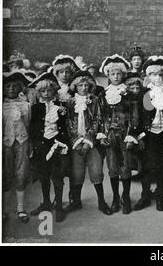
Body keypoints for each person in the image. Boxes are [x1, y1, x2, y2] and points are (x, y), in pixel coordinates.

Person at [64, 70, 112, 216]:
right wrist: (77, 141)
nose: (84, 88)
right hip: (76, 143)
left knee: (96, 171)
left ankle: (102, 202)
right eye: (80, 85)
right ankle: (76, 201)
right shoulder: (70, 103)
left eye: (86, 85)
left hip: (91, 143)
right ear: (75, 87)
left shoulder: (95, 100)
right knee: (77, 172)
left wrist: (88, 140)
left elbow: (98, 120)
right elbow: (69, 123)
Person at [96, 54, 138, 215]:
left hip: (124, 135)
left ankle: (125, 197)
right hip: (109, 136)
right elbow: (99, 118)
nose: (116, 76)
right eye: (113, 74)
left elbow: (134, 117)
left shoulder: (128, 95)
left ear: (123, 75)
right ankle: (115, 197)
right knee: (112, 168)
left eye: (119, 73)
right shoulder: (103, 96)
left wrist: (131, 135)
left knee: (125, 167)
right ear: (108, 75)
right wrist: (102, 134)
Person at [29, 72, 70, 223]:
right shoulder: (35, 108)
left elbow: (66, 127)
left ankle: (59, 205)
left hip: (57, 144)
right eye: (43, 91)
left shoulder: (61, 107)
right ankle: (46, 202)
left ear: (55, 91)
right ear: (39, 92)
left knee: (57, 176)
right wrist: (37, 143)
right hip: (42, 145)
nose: (46, 94)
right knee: (43, 176)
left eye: (49, 91)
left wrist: (61, 142)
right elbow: (33, 128)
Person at [134, 56, 163, 212]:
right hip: (148, 133)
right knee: (147, 166)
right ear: (149, 76)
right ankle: (145, 195)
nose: (157, 78)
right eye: (153, 75)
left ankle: (160, 196)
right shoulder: (144, 93)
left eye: (160, 75)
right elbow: (138, 115)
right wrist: (140, 134)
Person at [2, 71, 32, 223]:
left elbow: (28, 124)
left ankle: (20, 208)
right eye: (8, 86)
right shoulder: (1, 106)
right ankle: (4, 210)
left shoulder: (26, 105)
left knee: (21, 173)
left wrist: (30, 144)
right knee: (5, 175)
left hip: (22, 142)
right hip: (5, 144)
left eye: (15, 86)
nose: (12, 89)